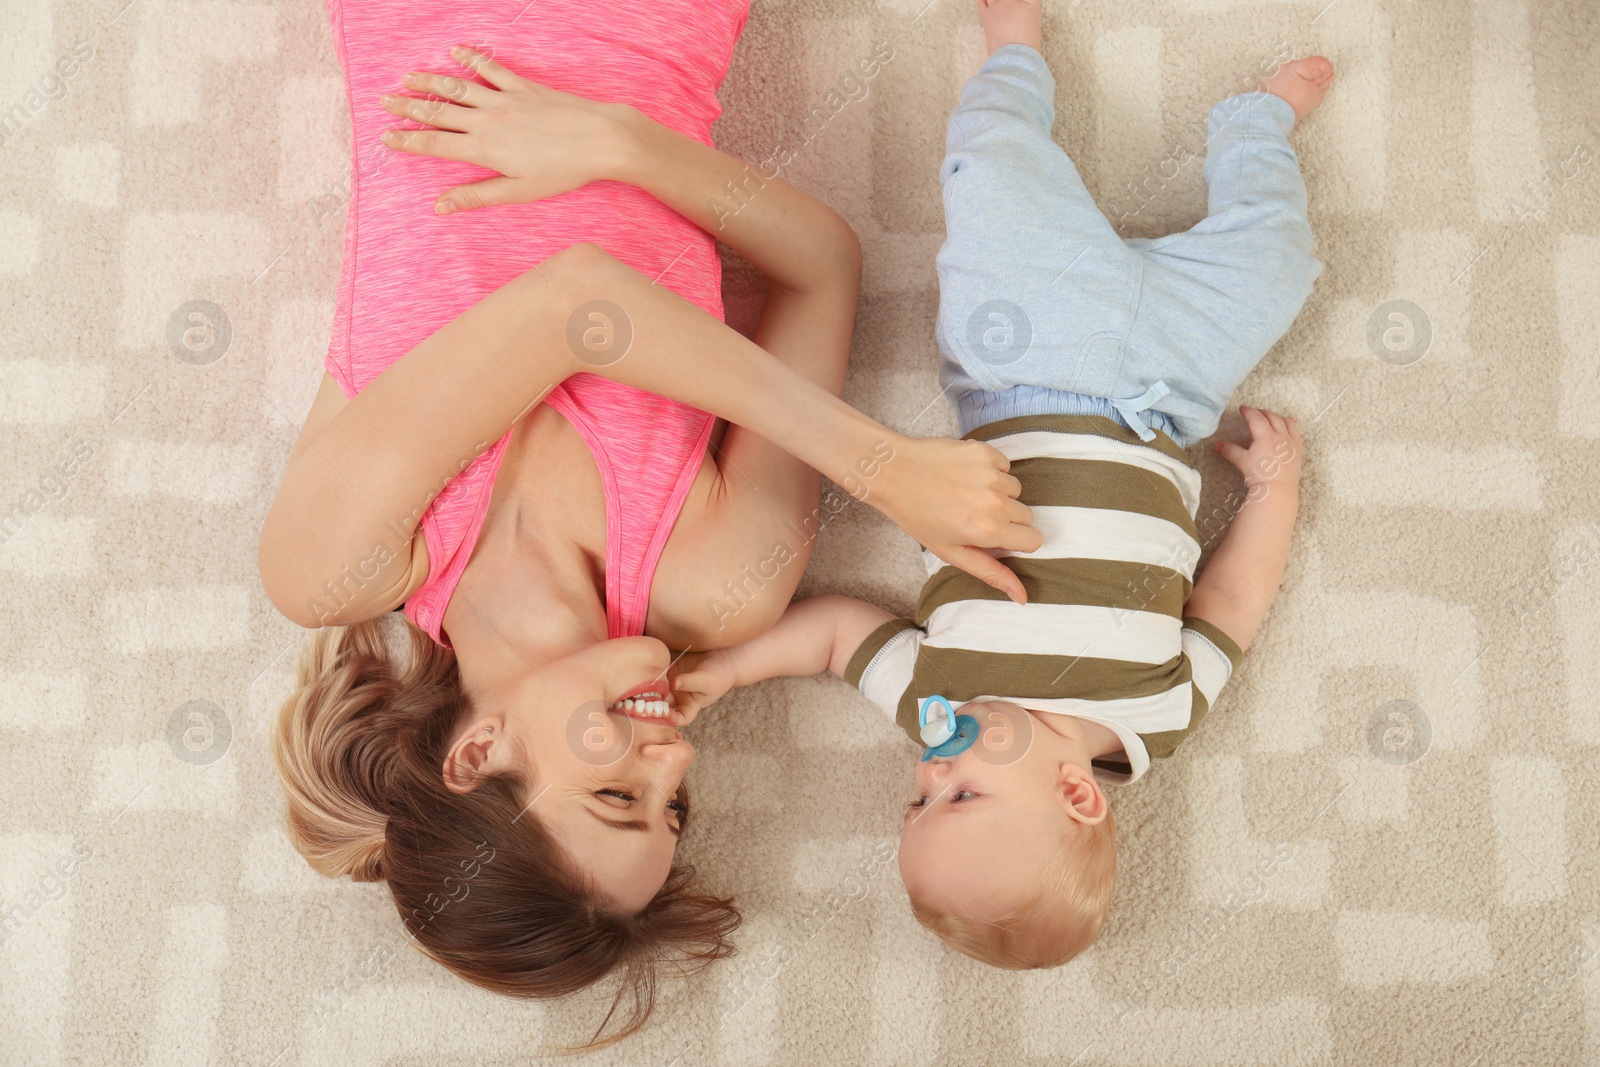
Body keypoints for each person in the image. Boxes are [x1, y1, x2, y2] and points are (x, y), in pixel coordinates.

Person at [259, 0, 1039, 1046]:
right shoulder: (716, 578)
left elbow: (572, 304)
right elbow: (821, 263)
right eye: (673, 807)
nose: (671, 759)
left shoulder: (334, 566)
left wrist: (881, 466)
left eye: (617, 793)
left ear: (476, 751)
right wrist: (619, 143)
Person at [670, 0, 1333, 970]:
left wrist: (726, 670)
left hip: (1019, 354)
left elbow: (835, 632)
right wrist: (1274, 491)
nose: (931, 771)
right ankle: (1255, 127)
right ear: (1077, 792)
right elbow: (1234, 600)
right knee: (1281, 265)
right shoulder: (1158, 716)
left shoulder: (937, 700)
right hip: (1174, 388)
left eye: (916, 799)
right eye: (961, 795)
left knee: (989, 179)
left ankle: (1012, 56)